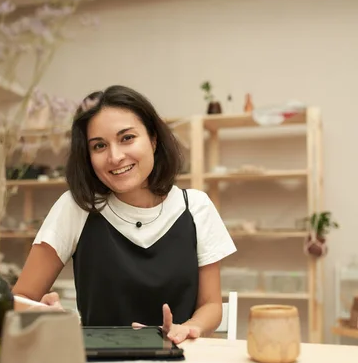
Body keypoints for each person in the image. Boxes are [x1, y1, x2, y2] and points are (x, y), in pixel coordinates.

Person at [13, 85, 236, 344]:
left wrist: (190, 327)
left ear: (153, 140)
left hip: (180, 362)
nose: (115, 156)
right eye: (99, 146)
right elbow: (19, 299)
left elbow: (211, 305)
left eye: (127, 138)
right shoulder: (77, 207)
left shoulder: (196, 207)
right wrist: (43, 313)